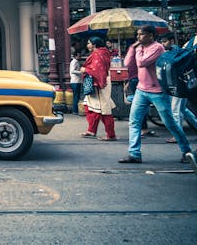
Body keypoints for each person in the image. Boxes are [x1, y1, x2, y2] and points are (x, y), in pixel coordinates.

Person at [119, 25, 194, 164]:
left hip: (158, 91)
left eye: (141, 34)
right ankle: (134, 153)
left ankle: (187, 151)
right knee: (134, 122)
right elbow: (127, 63)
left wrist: (138, 48)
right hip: (141, 90)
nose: (138, 37)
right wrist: (132, 48)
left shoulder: (157, 47)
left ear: (150, 36)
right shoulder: (139, 48)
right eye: (138, 34)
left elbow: (142, 62)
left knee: (170, 123)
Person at [160, 33, 197, 143]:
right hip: (182, 83)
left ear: (171, 41)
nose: (162, 44)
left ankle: (177, 135)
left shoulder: (176, 52)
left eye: (165, 41)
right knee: (183, 110)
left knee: (176, 109)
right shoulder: (188, 44)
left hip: (179, 84)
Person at [79, 36, 117, 140]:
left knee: (104, 110)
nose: (87, 45)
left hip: (99, 84)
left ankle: (111, 135)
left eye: (89, 43)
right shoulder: (103, 52)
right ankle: (91, 130)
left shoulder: (97, 54)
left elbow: (97, 71)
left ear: (94, 44)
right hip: (100, 83)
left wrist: (85, 70)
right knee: (89, 107)